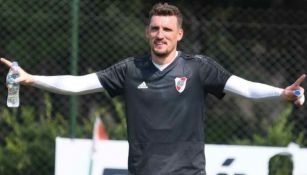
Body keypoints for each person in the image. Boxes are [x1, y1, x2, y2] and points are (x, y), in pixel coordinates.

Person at [1, 3, 305, 175]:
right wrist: (30, 79)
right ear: (148, 32)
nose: (160, 35)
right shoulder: (129, 69)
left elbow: (245, 88)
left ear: (180, 34)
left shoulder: (199, 68)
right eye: (155, 29)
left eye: (167, 29)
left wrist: (281, 93)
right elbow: (79, 84)